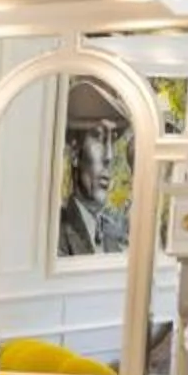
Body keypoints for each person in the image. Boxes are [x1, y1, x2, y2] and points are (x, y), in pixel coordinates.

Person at [57, 77, 130, 257]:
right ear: (74, 151)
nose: (109, 156)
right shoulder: (55, 233)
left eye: (112, 140)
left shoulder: (114, 236)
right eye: (98, 137)